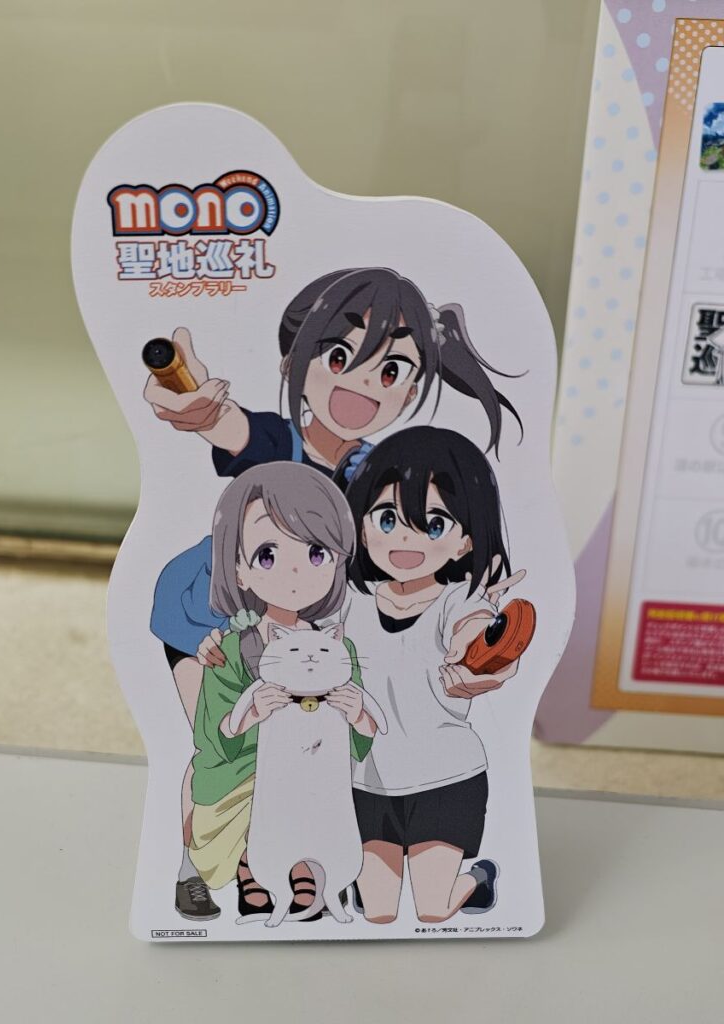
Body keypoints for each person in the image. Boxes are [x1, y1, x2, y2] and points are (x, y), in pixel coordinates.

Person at [147, 268, 522, 919]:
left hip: (309, 623)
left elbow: (406, 560)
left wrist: (479, 634)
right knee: (225, 746)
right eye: (341, 357)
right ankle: (196, 867)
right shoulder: (277, 441)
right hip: (211, 609)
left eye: (392, 370)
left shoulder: (381, 474)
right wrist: (201, 410)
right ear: (293, 363)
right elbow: (233, 428)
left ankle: (303, 869)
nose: (362, 385)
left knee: (304, 745)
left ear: (413, 388)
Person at [339, 426, 522, 924]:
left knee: (432, 911)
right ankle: (373, 884)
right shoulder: (350, 603)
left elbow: (478, 635)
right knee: (378, 915)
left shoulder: (457, 601)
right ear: (361, 526)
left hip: (445, 777)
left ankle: (478, 877)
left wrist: (482, 651)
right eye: (387, 518)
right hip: (367, 779)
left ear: (465, 542)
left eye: (434, 523)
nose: (406, 538)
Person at [187, 462, 376, 920]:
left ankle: (312, 865)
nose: (294, 571)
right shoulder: (231, 649)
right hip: (247, 776)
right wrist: (249, 716)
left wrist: (356, 716)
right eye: (268, 554)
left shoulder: (338, 648)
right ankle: (253, 863)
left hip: (319, 769)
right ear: (239, 569)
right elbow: (210, 737)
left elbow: (360, 742)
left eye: (316, 553)